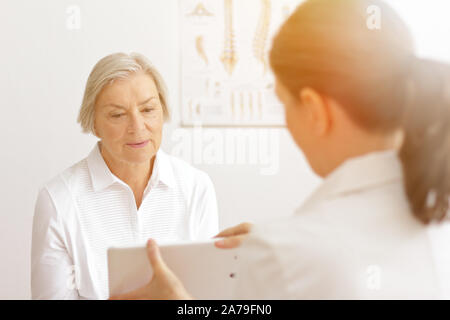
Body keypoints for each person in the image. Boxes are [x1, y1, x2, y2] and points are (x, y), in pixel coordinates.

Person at [110, 0, 450, 300]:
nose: (137, 126)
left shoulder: (285, 253)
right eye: (116, 113)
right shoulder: (436, 213)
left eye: (283, 103)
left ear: (316, 111)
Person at [31, 52, 219, 299]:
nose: (138, 127)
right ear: (94, 122)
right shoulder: (58, 201)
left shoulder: (196, 188)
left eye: (149, 109)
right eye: (118, 115)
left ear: (163, 111)